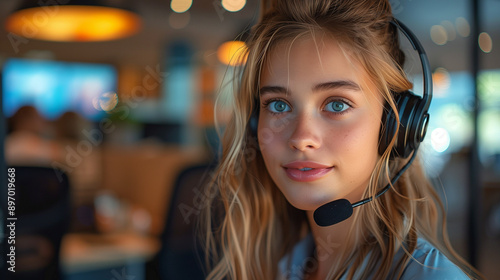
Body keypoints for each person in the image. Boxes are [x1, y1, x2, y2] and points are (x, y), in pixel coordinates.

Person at [201, 0, 484, 279]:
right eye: (278, 105)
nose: (301, 138)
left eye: (337, 104)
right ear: (254, 123)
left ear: (393, 124)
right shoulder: (287, 265)